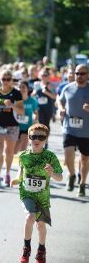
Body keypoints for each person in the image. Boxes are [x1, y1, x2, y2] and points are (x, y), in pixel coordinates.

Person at [11, 124, 63, 263]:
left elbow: (60, 177)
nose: (37, 139)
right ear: (29, 138)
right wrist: (17, 180)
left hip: (42, 196)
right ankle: (26, 249)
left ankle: (41, 250)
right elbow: (21, 172)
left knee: (40, 225)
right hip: (27, 193)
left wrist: (52, 173)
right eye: (34, 136)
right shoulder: (23, 156)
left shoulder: (50, 157)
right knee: (30, 217)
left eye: (41, 137)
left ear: (46, 139)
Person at [0, 69, 24, 187]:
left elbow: (21, 111)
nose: (5, 81)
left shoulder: (16, 93)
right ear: (0, 79)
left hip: (13, 125)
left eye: (8, 79)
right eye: (3, 79)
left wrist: (12, 105)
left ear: (11, 80)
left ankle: (7, 173)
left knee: (9, 151)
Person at [59, 64, 89, 196]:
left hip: (86, 132)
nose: (79, 76)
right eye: (77, 73)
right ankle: (71, 175)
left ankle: (82, 184)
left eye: (82, 74)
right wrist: (61, 109)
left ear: (87, 75)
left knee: (84, 160)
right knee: (68, 155)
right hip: (69, 128)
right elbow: (60, 101)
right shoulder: (68, 87)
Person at [15, 81, 39, 153]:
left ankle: (23, 164)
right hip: (15, 127)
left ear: (28, 89)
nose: (21, 89)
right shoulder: (15, 100)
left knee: (23, 150)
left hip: (27, 127)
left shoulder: (32, 101)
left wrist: (35, 118)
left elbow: (36, 113)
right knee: (14, 151)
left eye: (23, 87)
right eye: (19, 87)